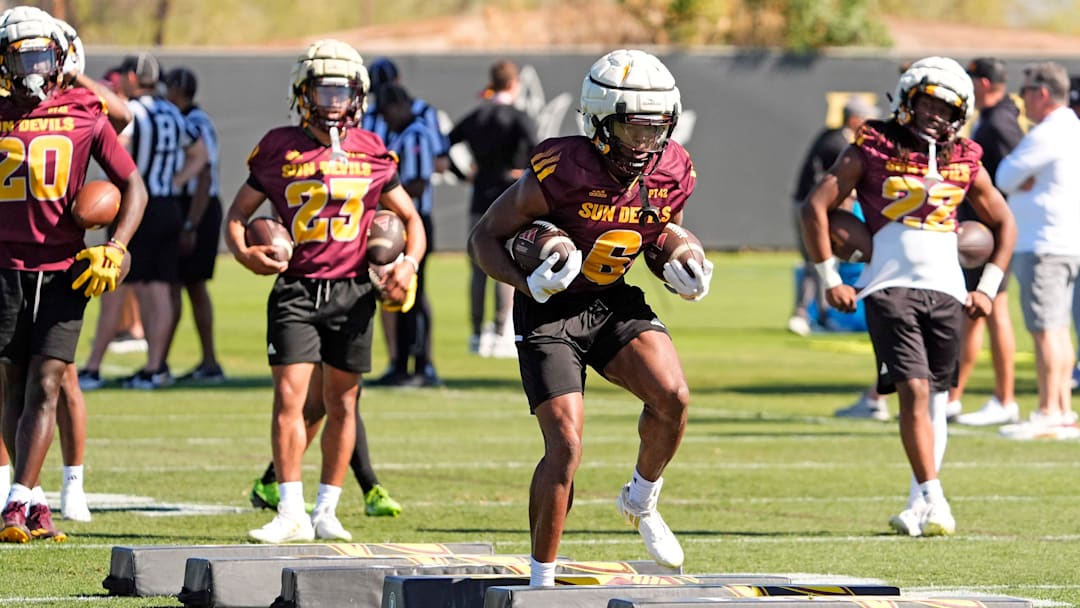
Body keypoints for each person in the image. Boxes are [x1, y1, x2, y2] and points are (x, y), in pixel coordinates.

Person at [470, 49, 709, 584]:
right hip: (550, 311)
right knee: (566, 446)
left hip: (609, 300)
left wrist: (680, 261)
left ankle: (641, 499)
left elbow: (657, 233)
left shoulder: (673, 169)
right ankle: (541, 577)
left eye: (658, 130)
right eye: (634, 130)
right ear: (599, 122)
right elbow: (483, 238)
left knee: (674, 397)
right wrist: (523, 280)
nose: (647, 144)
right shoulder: (562, 169)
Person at [801, 56, 1016, 537]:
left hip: (947, 288)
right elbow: (818, 207)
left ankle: (918, 501)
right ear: (907, 100)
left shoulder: (965, 158)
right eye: (928, 104)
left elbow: (1004, 223)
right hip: (887, 285)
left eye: (947, 109)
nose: (936, 116)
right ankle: (936, 497)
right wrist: (830, 276)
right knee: (913, 390)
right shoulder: (872, 147)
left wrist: (987, 286)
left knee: (937, 399)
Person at [225, 39, 424, 543]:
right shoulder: (278, 146)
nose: (335, 99)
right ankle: (290, 509)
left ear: (359, 94)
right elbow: (237, 215)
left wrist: (410, 264)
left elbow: (411, 220)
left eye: (344, 89)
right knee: (289, 400)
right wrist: (246, 254)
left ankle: (325, 510)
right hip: (295, 288)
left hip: (354, 292)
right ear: (303, 91)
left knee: (343, 404)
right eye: (325, 88)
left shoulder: (373, 149)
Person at [0, 5, 147, 543]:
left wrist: (115, 246)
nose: (32, 67)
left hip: (64, 268)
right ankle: (34, 497)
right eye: (21, 56)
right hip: (5, 266)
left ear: (61, 57)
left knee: (47, 379)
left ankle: (16, 501)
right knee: (13, 381)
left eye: (41, 53)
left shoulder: (86, 109)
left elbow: (133, 185)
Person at [81, 52, 208, 390]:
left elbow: (115, 148)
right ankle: (155, 367)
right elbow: (200, 155)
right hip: (168, 205)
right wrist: (176, 182)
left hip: (137, 207)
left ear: (133, 78)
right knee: (160, 288)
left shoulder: (132, 112)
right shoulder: (173, 113)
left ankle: (93, 367)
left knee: (115, 286)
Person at [995, 61, 1080, 439]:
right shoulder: (1071, 128)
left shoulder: (1049, 131)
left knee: (1046, 331)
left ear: (1043, 93)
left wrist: (1020, 178)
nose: (1022, 98)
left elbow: (1004, 176)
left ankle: (1049, 409)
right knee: (1058, 330)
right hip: (1064, 241)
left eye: (1027, 90)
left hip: (1044, 243)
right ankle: (1061, 409)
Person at [950, 58, 1025, 426]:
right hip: (986, 234)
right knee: (981, 316)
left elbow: (1021, 176)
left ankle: (1003, 397)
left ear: (982, 82)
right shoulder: (992, 118)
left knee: (988, 315)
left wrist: (997, 216)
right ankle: (959, 395)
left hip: (989, 236)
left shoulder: (999, 122)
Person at [450, 59, 537, 358]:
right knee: (506, 264)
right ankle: (501, 332)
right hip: (510, 202)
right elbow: (537, 154)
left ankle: (476, 335)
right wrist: (521, 173)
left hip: (479, 199)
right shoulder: (518, 117)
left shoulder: (477, 116)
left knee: (477, 268)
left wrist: (463, 175)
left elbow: (444, 145)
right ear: (514, 84)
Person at [369, 83, 441, 387]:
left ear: (400, 106)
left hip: (414, 221)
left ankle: (421, 365)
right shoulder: (400, 133)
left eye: (387, 113)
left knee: (414, 292)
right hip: (397, 222)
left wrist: (382, 197)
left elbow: (419, 183)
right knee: (397, 292)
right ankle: (400, 364)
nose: (384, 120)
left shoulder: (417, 134)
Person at [788, 96, 876, 337]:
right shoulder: (837, 144)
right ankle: (803, 314)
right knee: (814, 259)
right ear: (855, 119)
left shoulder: (836, 137)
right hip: (811, 209)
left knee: (822, 260)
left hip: (816, 207)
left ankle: (822, 315)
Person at [162, 67, 225, 384]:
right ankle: (161, 359)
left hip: (197, 208)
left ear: (178, 90)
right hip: (184, 206)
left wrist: (191, 224)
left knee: (191, 285)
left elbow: (204, 174)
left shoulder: (195, 123)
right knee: (174, 285)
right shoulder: (183, 119)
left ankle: (205, 360)